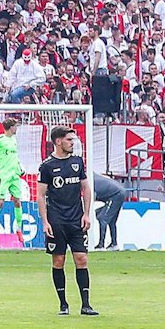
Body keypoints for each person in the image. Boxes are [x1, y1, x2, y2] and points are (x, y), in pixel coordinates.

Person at [37, 126, 97, 315]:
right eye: (69, 140)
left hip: (76, 219)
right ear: (58, 141)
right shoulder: (46, 166)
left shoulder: (77, 162)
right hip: (57, 220)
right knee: (59, 261)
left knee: (81, 258)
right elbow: (40, 195)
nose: (73, 143)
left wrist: (86, 213)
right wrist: (45, 221)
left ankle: (86, 305)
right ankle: (63, 304)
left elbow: (86, 188)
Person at [92, 174, 127, 250]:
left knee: (102, 218)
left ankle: (101, 245)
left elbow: (92, 197)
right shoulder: (93, 177)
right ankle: (114, 244)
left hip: (115, 195)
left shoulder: (91, 180)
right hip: (118, 193)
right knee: (111, 220)